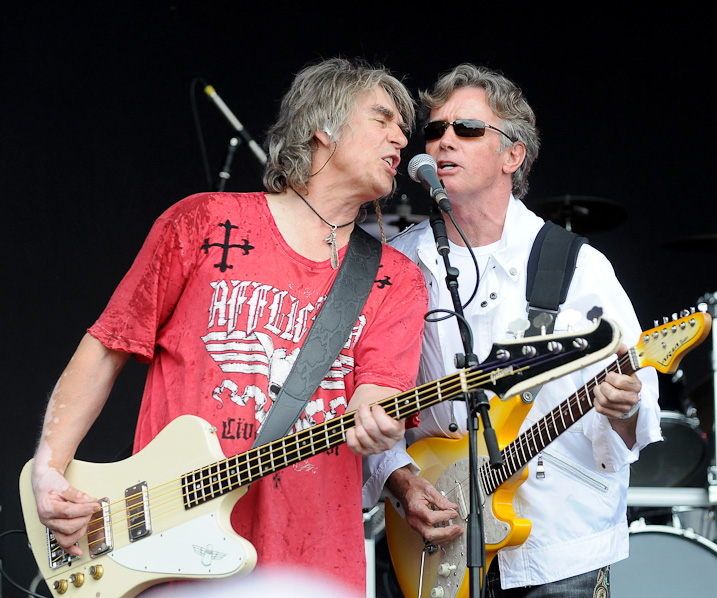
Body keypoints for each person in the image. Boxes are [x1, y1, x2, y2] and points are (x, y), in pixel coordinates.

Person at [29, 57, 428, 595]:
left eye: (402, 127)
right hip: (170, 547)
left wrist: (377, 420)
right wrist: (49, 469)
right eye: (382, 119)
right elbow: (108, 345)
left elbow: (380, 391)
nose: (401, 137)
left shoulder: (397, 279)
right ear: (324, 126)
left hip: (311, 563)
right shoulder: (202, 221)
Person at [364, 64, 661, 596]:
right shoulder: (397, 264)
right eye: (435, 130)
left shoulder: (576, 266)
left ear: (513, 155)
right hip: (440, 539)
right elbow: (363, 396)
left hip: (560, 545)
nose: (444, 141)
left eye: (467, 129)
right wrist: (400, 480)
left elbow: (637, 404)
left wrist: (625, 406)